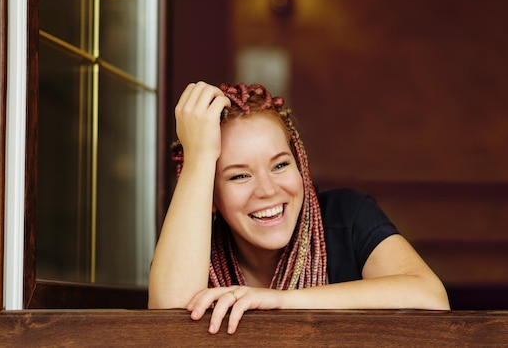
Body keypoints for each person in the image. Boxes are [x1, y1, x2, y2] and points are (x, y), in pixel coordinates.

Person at [148, 81, 450, 334]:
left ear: (301, 166)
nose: (267, 190)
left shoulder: (348, 214)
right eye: (239, 175)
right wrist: (199, 157)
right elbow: (167, 323)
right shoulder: (195, 244)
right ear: (210, 195)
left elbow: (429, 297)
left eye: (280, 165)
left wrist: (281, 301)